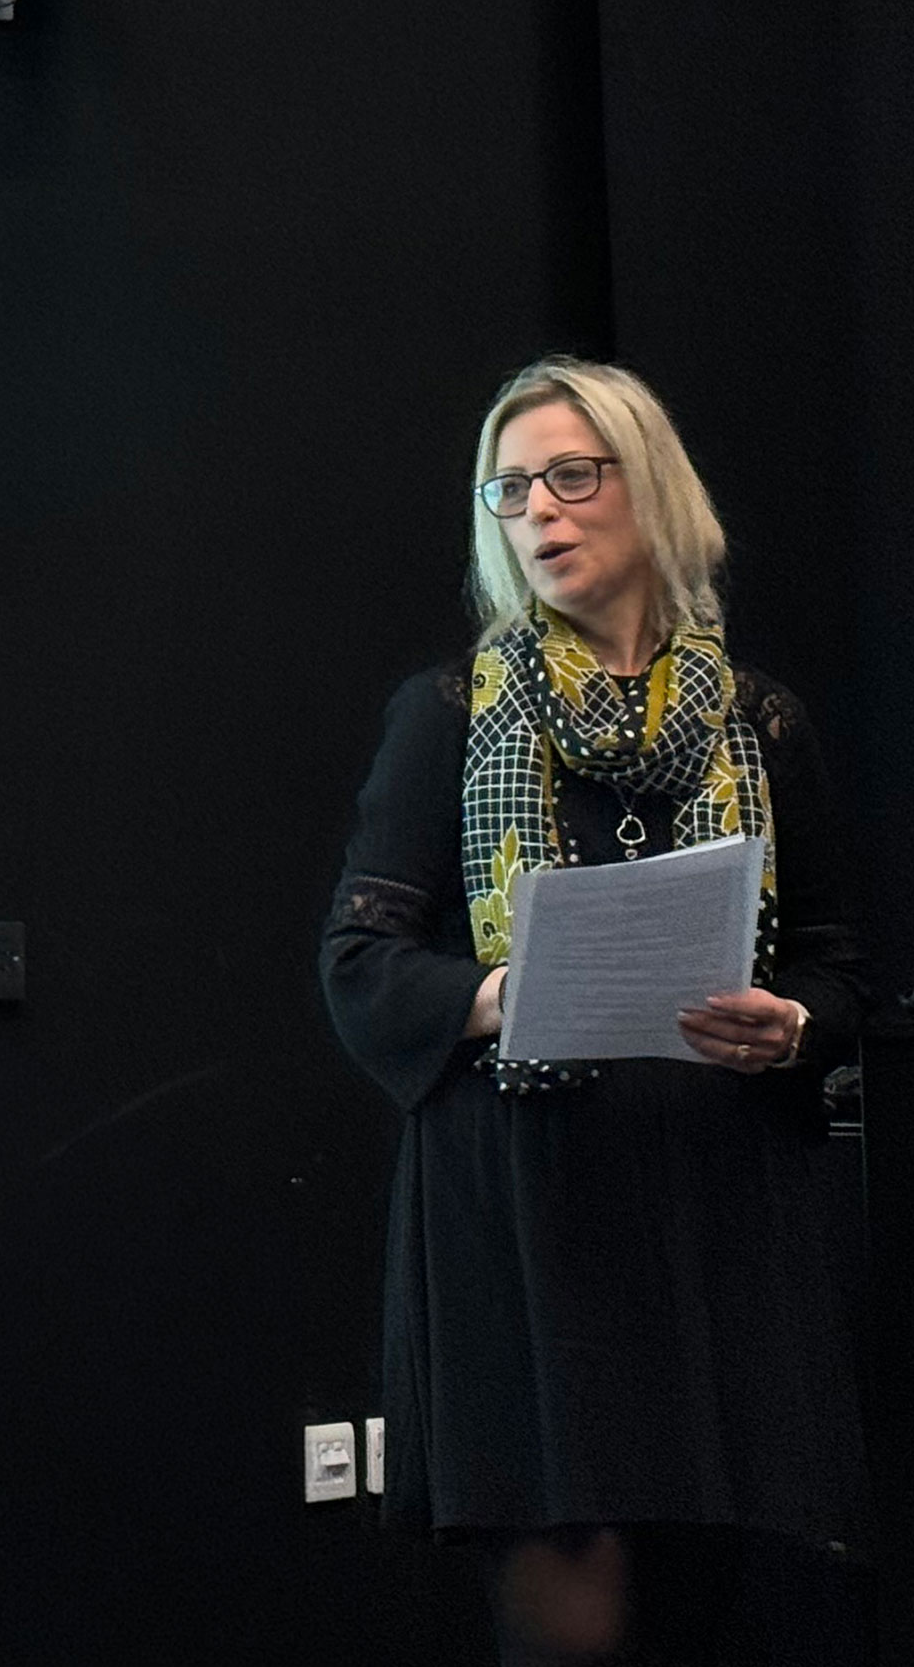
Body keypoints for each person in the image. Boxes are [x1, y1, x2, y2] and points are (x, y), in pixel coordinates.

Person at [320, 359, 868, 1666]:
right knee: (572, 1623)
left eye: (575, 476)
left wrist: (795, 1029)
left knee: (711, 1601)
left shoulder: (763, 723)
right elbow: (360, 966)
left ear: (650, 490)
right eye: (511, 491)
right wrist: (509, 993)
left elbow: (844, 973)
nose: (543, 514)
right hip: (526, 1219)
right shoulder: (451, 715)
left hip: (713, 1211)